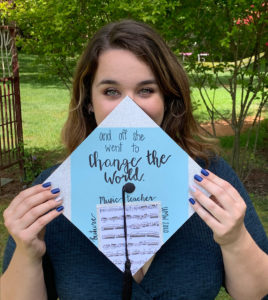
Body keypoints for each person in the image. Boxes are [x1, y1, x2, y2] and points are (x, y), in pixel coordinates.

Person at [1, 20, 268, 300]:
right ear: (89, 101)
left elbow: (256, 292)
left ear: (167, 97)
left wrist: (235, 239)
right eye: (111, 92)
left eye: (145, 90)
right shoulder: (53, 192)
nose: (129, 107)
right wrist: (27, 252)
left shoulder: (210, 181)